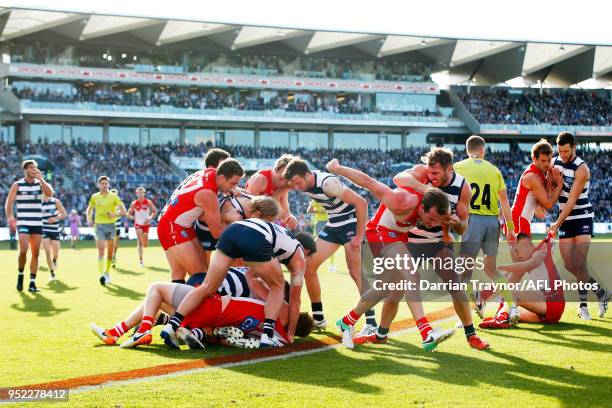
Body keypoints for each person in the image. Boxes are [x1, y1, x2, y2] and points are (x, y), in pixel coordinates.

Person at [327, 159, 456, 351]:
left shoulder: (434, 204)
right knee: (411, 275)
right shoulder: (401, 201)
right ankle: (426, 332)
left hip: (400, 236)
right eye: (430, 219)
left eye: (437, 221)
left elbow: (440, 217)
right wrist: (337, 169)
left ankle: (348, 322)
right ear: (421, 208)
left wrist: (445, 231)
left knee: (390, 289)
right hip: (380, 232)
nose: (431, 224)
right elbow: (369, 182)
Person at [161, 197, 302, 348]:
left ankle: (172, 325)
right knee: (278, 285)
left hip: (232, 230)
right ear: (307, 251)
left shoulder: (278, 232)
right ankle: (268, 335)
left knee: (208, 286)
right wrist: (290, 334)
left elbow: (250, 274)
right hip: (257, 237)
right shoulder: (300, 258)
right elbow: (295, 301)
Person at [393, 147, 489, 350]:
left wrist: (455, 222)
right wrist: (425, 187)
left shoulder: (463, 187)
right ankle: (379, 332)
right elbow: (398, 178)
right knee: (395, 290)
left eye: (435, 173)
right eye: (430, 172)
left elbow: (464, 228)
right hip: (410, 240)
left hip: (438, 241)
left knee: (455, 284)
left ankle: (471, 335)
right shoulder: (422, 173)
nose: (431, 176)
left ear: (449, 169)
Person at [90, 280, 314, 349]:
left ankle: (144, 331)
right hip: (213, 320)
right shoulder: (277, 336)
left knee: (155, 288)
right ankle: (115, 332)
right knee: (156, 303)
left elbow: (251, 277)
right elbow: (231, 339)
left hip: (211, 304)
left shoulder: (284, 310)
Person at [283, 157, 369, 331]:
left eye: (298, 183)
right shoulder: (305, 185)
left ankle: (371, 322)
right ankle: (319, 318)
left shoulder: (328, 184)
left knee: (355, 272)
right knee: (308, 267)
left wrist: (359, 236)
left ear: (307, 175)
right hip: (333, 225)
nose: (297, 188)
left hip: (350, 224)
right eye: (294, 184)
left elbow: (362, 203)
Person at [453, 135, 517, 322]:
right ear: (483, 150)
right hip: (492, 223)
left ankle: (467, 316)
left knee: (464, 271)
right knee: (491, 269)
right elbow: (504, 201)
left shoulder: (458, 167)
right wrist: (510, 228)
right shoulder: (494, 170)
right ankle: (512, 307)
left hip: (471, 221)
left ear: (467, 150)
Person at [549, 132, 609, 319]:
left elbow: (572, 200)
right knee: (569, 264)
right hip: (564, 216)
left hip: (581, 215)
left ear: (574, 147)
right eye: (560, 151)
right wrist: (556, 182)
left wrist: (556, 224)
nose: (563, 155)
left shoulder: (582, 169)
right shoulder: (553, 163)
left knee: (580, 262)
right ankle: (602, 293)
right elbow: (552, 191)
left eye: (566, 151)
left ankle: (583, 306)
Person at [157, 159, 244, 283]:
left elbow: (201, 214)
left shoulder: (211, 172)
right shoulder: (208, 194)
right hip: (173, 227)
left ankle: (162, 301)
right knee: (200, 276)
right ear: (223, 177)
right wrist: (243, 231)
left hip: (177, 225)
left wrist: (225, 214)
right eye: (233, 183)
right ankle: (161, 299)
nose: (234, 187)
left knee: (180, 273)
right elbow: (217, 232)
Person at [479, 233, 565, 328]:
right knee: (514, 310)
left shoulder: (540, 251)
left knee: (512, 295)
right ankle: (502, 316)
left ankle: (502, 319)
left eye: (517, 250)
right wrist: (485, 293)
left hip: (553, 303)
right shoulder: (527, 262)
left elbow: (527, 265)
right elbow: (508, 283)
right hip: (546, 311)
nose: (517, 255)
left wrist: (500, 267)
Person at [4, 159, 54, 292]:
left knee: (36, 253)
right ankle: (20, 274)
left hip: (37, 223)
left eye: (35, 168)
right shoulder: (17, 185)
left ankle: (32, 283)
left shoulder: (40, 184)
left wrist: (42, 180)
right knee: (23, 250)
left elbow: (50, 194)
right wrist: (10, 218)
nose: (34, 170)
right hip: (23, 222)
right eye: (31, 168)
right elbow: (9, 203)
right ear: (25, 170)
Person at [510, 139, 563, 237]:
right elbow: (548, 203)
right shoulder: (533, 177)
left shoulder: (541, 172)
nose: (547, 164)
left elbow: (541, 212)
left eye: (549, 160)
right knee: (527, 252)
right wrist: (559, 185)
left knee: (526, 252)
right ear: (534, 158)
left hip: (521, 219)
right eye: (543, 160)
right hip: (518, 220)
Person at [194, 148, 231, 271]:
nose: (228, 170)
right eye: (224, 166)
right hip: (205, 229)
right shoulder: (205, 186)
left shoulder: (225, 185)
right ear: (211, 167)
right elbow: (201, 215)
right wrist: (227, 216)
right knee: (204, 267)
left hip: (218, 227)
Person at [86, 177, 127, 286]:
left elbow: (123, 211)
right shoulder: (94, 197)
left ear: (108, 184)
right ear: (98, 185)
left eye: (106, 183)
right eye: (102, 183)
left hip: (111, 226)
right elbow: (89, 210)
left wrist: (115, 214)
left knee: (110, 253)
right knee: (100, 251)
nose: (104, 185)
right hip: (99, 225)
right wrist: (89, 219)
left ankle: (107, 272)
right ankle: (102, 275)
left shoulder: (114, 196)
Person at [245, 154, 298, 229]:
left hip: (265, 220)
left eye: (287, 180)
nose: (282, 183)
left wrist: (291, 218)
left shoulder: (284, 186)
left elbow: (285, 213)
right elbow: (249, 207)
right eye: (281, 178)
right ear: (274, 170)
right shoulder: (261, 179)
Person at [127, 187, 157, 267]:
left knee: (145, 244)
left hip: (146, 225)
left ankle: (142, 246)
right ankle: (141, 260)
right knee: (140, 242)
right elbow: (129, 213)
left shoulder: (148, 202)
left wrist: (150, 218)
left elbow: (154, 211)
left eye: (142, 192)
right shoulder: (134, 203)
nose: (140, 194)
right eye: (138, 193)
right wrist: (132, 217)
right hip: (138, 225)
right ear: (136, 194)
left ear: (144, 193)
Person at [41, 195, 67, 281]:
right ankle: (52, 273)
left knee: (55, 253)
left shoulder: (55, 201)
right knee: (47, 253)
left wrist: (55, 218)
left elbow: (64, 214)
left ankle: (54, 260)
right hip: (44, 230)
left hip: (54, 230)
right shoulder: (38, 202)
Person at [307, 199, 336, 273]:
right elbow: (309, 210)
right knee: (315, 245)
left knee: (331, 244)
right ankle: (310, 264)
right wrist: (319, 211)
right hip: (319, 223)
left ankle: (332, 266)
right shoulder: (315, 199)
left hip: (329, 222)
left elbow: (335, 208)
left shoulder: (330, 198)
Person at [109, 188, 125, 269]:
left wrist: (115, 214)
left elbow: (123, 213)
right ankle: (110, 257)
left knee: (116, 244)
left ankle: (114, 256)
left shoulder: (119, 204)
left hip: (117, 226)